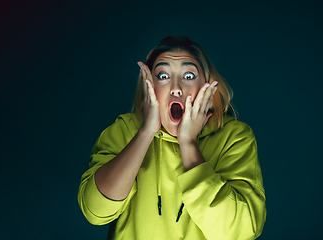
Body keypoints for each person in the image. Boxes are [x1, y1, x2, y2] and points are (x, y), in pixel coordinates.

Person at [78, 35, 266, 240]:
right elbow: (96, 211)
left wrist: (188, 143)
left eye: (188, 76)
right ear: (149, 86)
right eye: (163, 76)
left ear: (207, 86)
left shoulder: (234, 137)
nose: (176, 87)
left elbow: (241, 231)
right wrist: (146, 132)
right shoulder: (124, 130)